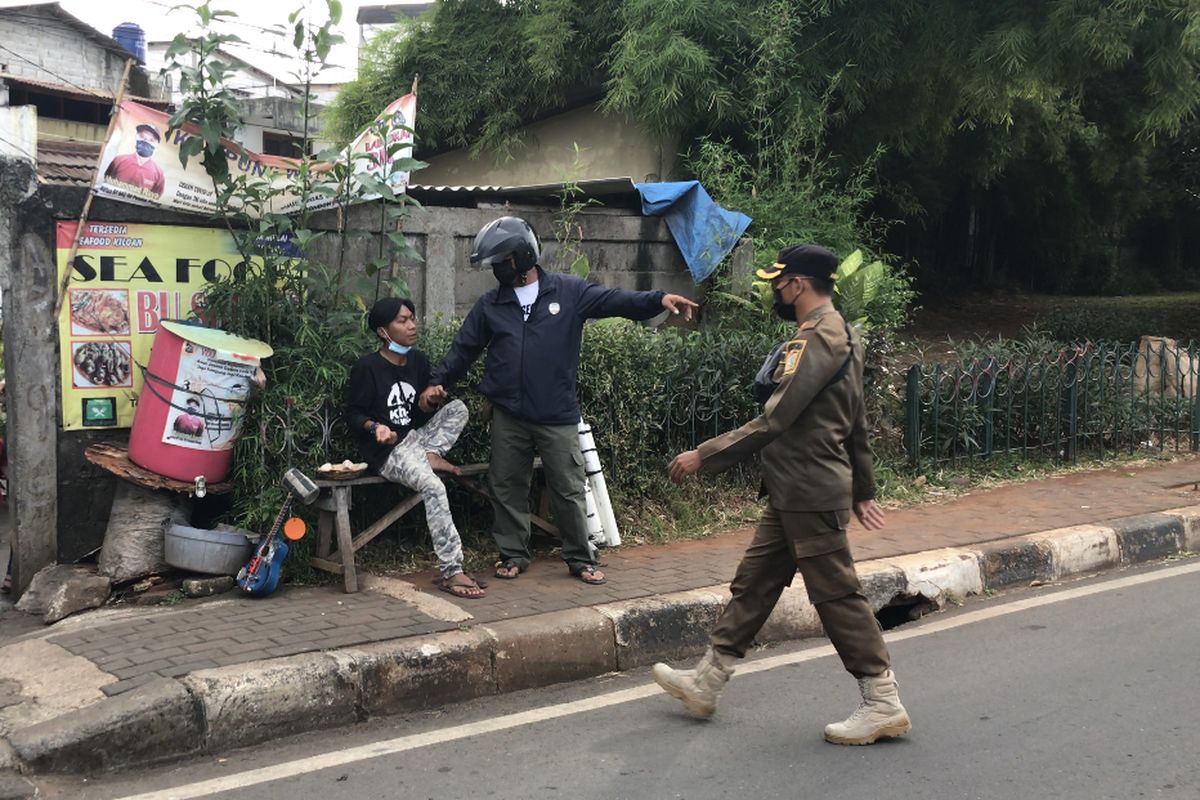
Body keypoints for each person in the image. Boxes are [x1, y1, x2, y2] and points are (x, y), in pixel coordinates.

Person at [653, 244, 911, 746]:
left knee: (838, 597)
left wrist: (704, 454)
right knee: (754, 583)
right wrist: (862, 489)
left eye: (779, 281)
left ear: (798, 283)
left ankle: (882, 701)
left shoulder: (819, 338)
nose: (775, 289)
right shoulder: (846, 335)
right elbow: (854, 423)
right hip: (797, 489)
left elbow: (775, 418)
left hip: (810, 491)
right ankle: (707, 682)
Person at [421, 216, 698, 585]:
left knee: (568, 487)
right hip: (508, 412)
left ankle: (580, 558)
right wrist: (438, 382)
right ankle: (513, 554)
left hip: (556, 413)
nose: (495, 269)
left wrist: (658, 299)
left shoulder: (568, 292)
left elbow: (616, 301)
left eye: (500, 261)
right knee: (506, 485)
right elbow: (463, 350)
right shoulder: (491, 304)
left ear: (521, 257)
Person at [346, 297, 485, 598]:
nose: (412, 326)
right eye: (403, 321)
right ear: (383, 332)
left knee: (458, 408)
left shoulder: (418, 361)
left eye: (412, 318)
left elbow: (420, 414)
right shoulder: (367, 367)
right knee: (434, 488)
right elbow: (354, 413)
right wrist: (375, 428)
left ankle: (430, 455)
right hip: (389, 452)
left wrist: (431, 400)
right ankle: (452, 571)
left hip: (415, 439)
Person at [104, 123, 165, 196]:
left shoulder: (159, 174)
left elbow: (155, 199)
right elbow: (104, 183)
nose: (145, 141)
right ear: (136, 137)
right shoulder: (118, 161)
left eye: (151, 140)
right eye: (142, 136)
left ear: (157, 145)